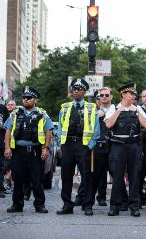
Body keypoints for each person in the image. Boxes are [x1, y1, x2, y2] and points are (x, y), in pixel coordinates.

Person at [4, 87, 53, 213]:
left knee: (37, 179)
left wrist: (45, 148)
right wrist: (7, 147)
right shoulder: (15, 113)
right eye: (24, 98)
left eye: (29, 98)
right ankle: (17, 205)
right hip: (18, 151)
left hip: (35, 151)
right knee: (17, 178)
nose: (26, 100)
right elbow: (8, 130)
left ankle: (39, 205)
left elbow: (48, 131)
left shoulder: (42, 113)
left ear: (35, 99)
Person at [57, 78, 100, 215]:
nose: (76, 91)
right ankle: (67, 205)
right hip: (68, 145)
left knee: (86, 177)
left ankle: (87, 205)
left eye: (79, 89)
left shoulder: (91, 107)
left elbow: (96, 129)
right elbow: (60, 127)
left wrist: (89, 146)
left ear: (84, 92)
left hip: (83, 146)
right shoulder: (65, 107)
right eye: (74, 89)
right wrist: (61, 143)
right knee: (66, 176)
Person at [105, 83, 146, 217]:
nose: (133, 96)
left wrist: (136, 111)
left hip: (133, 145)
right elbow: (108, 124)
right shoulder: (114, 108)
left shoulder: (138, 108)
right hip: (118, 145)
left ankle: (134, 206)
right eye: (131, 94)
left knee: (134, 176)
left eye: (134, 94)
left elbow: (145, 125)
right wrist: (119, 110)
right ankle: (115, 206)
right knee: (117, 177)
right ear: (124, 94)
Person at [89, 87, 115, 208]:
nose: (104, 97)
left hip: (113, 146)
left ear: (111, 96)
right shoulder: (94, 110)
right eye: (101, 95)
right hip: (98, 146)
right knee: (97, 174)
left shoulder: (116, 109)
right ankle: (96, 199)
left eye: (106, 95)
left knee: (115, 174)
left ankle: (120, 201)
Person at [0, 101, 9, 198]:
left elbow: (8, 126)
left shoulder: (2, 108)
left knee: (0, 166)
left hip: (0, 142)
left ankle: (0, 189)